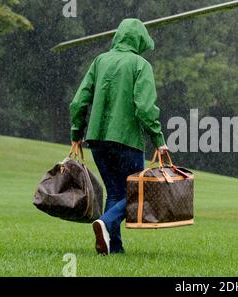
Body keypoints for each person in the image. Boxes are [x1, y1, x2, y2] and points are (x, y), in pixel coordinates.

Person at [69, 18, 168, 255]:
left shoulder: (100, 61)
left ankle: (114, 247)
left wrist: (76, 133)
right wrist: (159, 140)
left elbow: (78, 101)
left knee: (115, 192)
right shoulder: (140, 64)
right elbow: (144, 108)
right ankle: (106, 221)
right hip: (126, 139)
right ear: (140, 40)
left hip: (97, 140)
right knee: (138, 193)